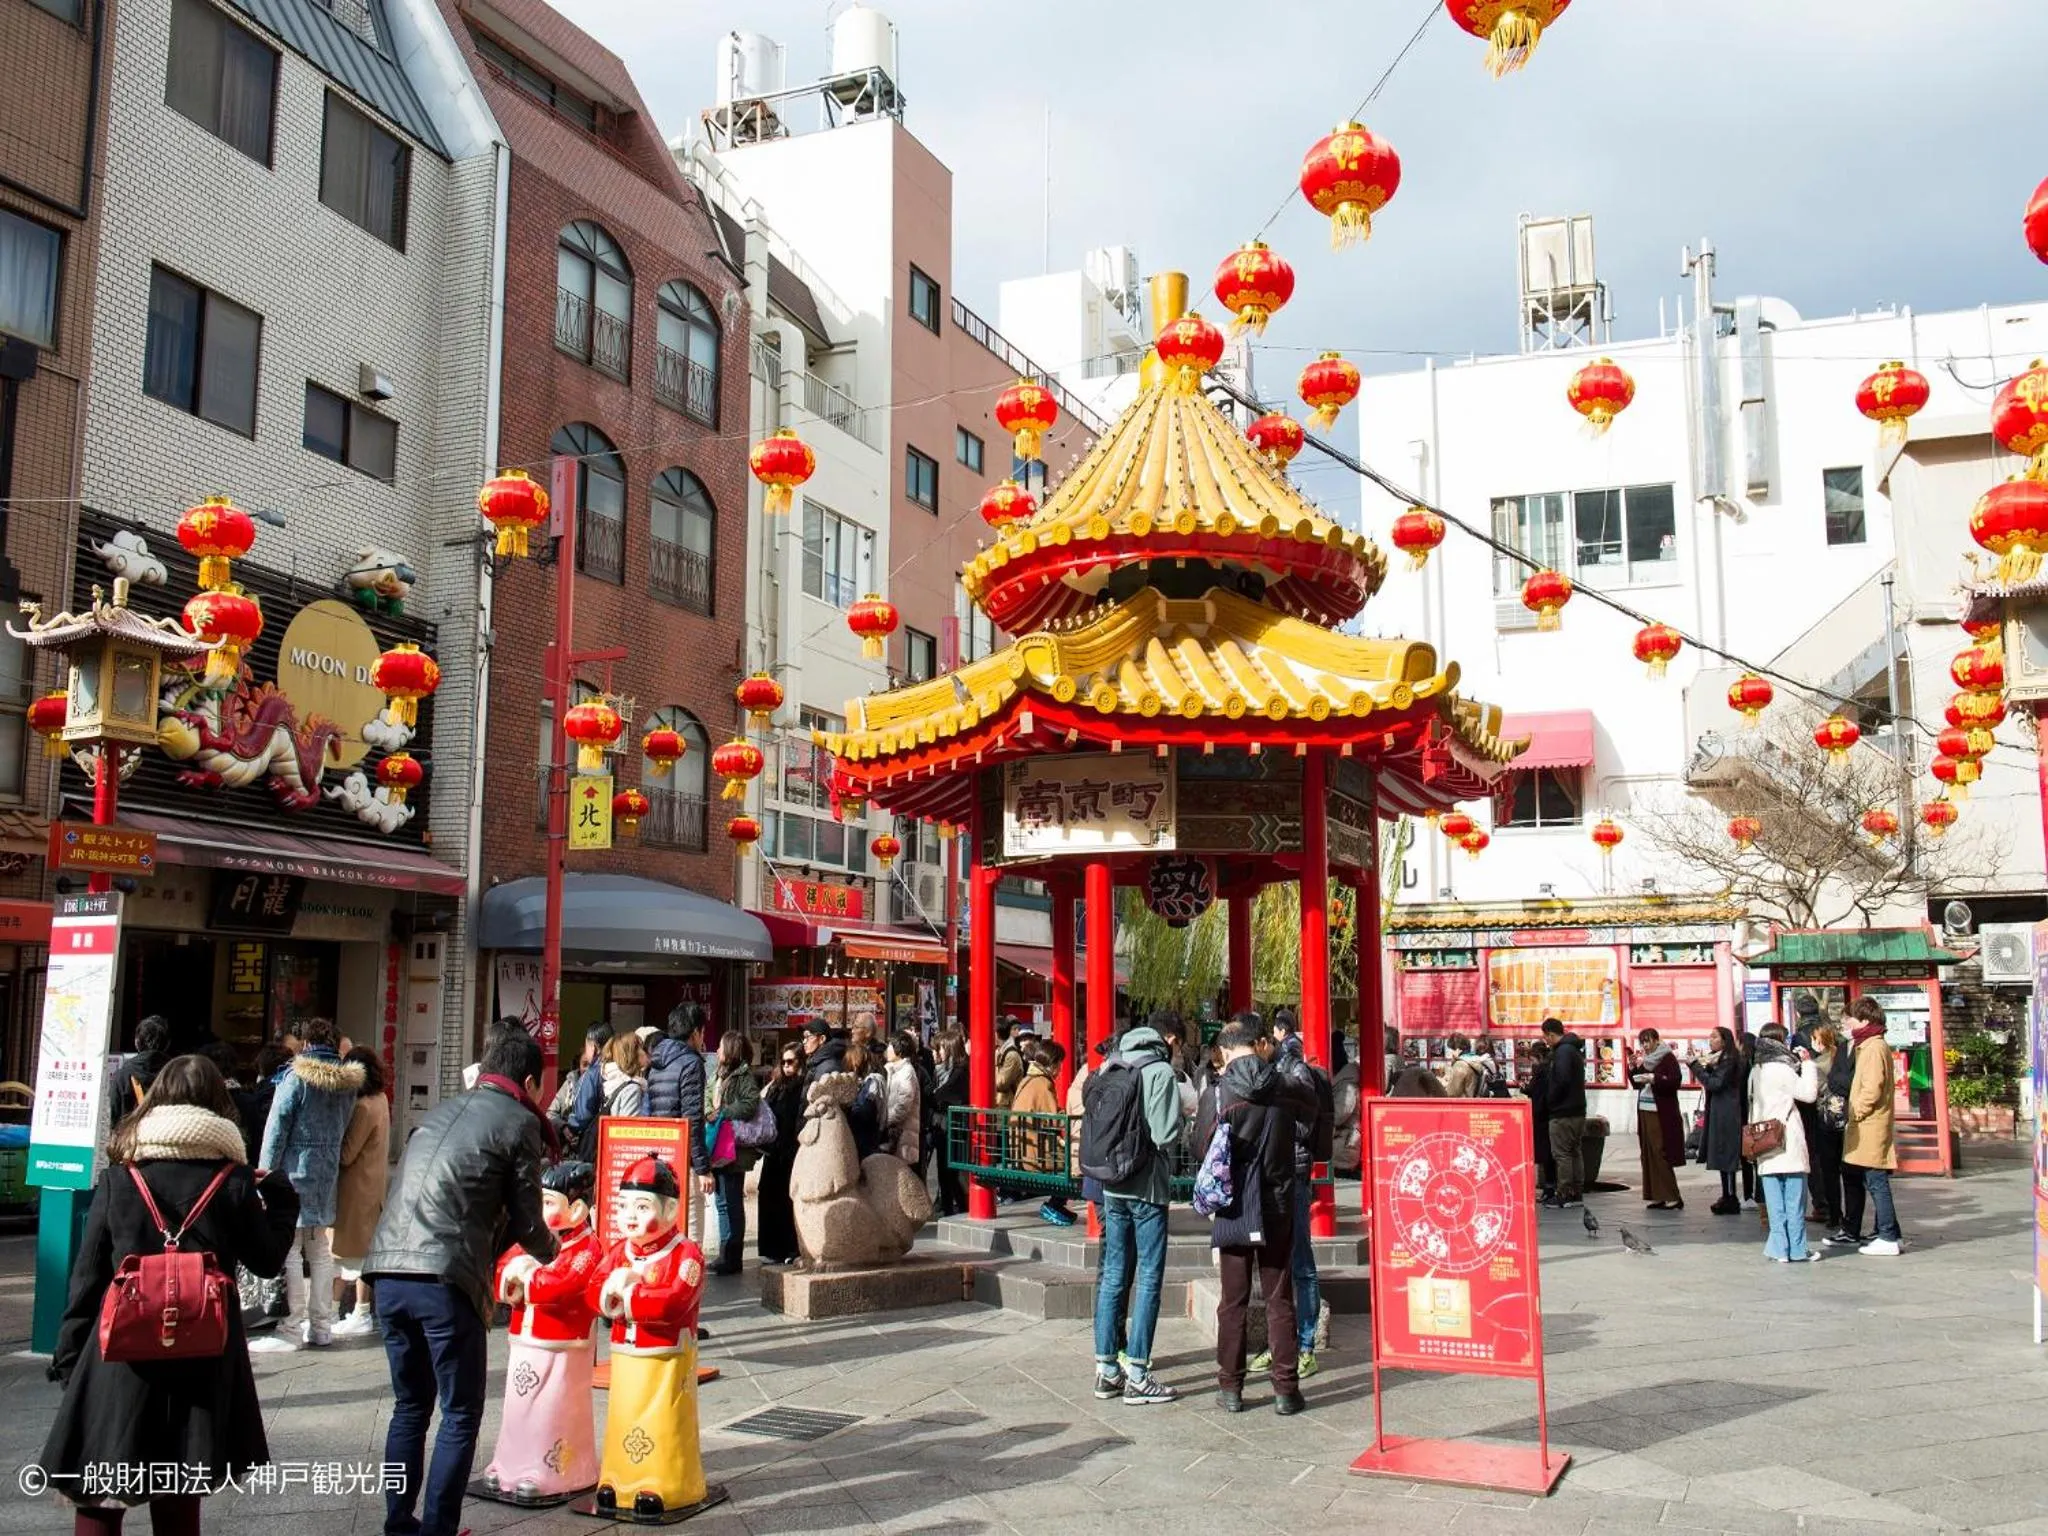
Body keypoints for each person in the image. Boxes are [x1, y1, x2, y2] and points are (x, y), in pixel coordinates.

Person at [41, 1055, 299, 1536]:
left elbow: (87, 1276)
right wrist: (282, 1202)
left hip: (120, 1354)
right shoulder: (233, 1180)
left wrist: (71, 1352)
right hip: (203, 1358)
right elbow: (266, 1260)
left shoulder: (121, 1177)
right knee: (180, 1488)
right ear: (218, 1107)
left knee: (99, 1491)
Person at [364, 1024, 556, 1536]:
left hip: (386, 1270)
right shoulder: (519, 1122)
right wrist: (554, 1253)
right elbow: (528, 1222)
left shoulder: (444, 1110)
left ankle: (399, 1522)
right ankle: (439, 1529)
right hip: (445, 1279)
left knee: (409, 1406)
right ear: (531, 1082)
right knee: (460, 1412)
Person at [1196, 1017, 1318, 1416]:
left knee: (1234, 1300)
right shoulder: (1288, 1087)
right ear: (1261, 1045)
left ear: (1229, 1050)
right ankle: (1286, 1390)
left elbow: (1199, 1148)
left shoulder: (1218, 1093)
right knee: (1280, 1297)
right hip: (1278, 1200)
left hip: (1233, 1205)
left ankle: (1230, 1388)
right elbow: (1314, 1127)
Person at [250, 1018, 365, 1353]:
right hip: (326, 1172)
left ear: (306, 1043)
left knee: (290, 1246)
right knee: (319, 1249)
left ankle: (291, 1325)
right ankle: (322, 1325)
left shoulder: (295, 1078)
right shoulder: (348, 1083)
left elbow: (276, 1129)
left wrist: (264, 1175)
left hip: (292, 1171)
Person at [1086, 1015, 1184, 1405]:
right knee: (1148, 1277)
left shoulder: (1110, 1064)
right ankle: (1139, 1373)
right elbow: (1163, 1133)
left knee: (1112, 1275)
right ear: (1166, 1041)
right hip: (1147, 1188)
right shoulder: (1160, 1071)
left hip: (1111, 1184)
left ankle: (1106, 1369)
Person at [1249, 1008, 1333, 1383]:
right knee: (1275, 1263)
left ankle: (1305, 1346)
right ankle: (1280, 1341)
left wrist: (1271, 1123)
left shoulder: (1295, 1070)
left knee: (1300, 1262)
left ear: (1267, 1042)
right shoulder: (1268, 1070)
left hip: (1293, 1172)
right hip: (1269, 1172)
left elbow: (1303, 1124)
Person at [330, 1048, 392, 1338]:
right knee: (357, 1255)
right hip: (371, 1186)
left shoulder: (364, 1107)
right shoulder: (381, 1100)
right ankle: (347, 1312)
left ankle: (357, 1312)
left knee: (347, 1256)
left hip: (355, 1189)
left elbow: (347, 1153)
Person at [1748, 1023, 1821, 1262]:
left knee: (1774, 1203)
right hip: (1787, 1138)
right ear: (1780, 1041)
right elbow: (1809, 1094)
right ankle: (1798, 1248)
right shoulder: (1782, 1069)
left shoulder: (1756, 1070)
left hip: (1763, 1140)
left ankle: (1779, 1249)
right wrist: (1808, 1064)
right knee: (1794, 1200)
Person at [1843, 996, 1904, 1256]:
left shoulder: (1873, 1047)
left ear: (1865, 1020)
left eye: (1850, 1019)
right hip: (1868, 1123)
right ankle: (1890, 1233)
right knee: (1873, 1180)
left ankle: (1888, 1235)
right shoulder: (1867, 1045)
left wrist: (1857, 1112)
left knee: (1876, 1181)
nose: (1846, 1023)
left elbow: (1872, 1088)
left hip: (1870, 1123)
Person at [706, 1031, 761, 1276]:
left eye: (720, 1047)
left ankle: (732, 1256)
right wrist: (710, 1110)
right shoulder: (717, 1074)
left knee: (731, 1203)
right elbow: (707, 1096)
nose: (717, 1051)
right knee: (721, 1202)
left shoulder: (744, 1076)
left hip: (732, 1149)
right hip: (717, 1142)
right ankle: (724, 1253)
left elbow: (750, 1104)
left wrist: (724, 1112)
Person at [1011, 1038, 1074, 1226]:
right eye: (1059, 1064)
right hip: (1034, 1153)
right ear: (1052, 1064)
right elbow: (1054, 1120)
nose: (1060, 1069)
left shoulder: (1028, 1079)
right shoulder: (1042, 1083)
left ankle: (1056, 1204)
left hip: (1020, 1149)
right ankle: (1055, 1204)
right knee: (1075, 1163)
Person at [757, 1044, 806, 1265]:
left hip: (792, 1151)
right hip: (774, 1152)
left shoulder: (802, 1087)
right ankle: (771, 1248)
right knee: (768, 1196)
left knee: (787, 1200)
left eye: (791, 1062)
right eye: (784, 1062)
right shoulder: (776, 1086)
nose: (786, 1066)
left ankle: (790, 1247)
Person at [1690, 1027, 1747, 1215]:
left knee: (1727, 1154)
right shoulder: (1718, 1059)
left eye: (1714, 1037)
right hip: (1719, 1111)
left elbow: (1715, 1083)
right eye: (1710, 1037)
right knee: (1722, 1153)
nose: (1710, 1040)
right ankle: (1726, 1194)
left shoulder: (1729, 1060)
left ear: (1725, 1040)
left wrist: (1696, 1067)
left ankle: (1731, 1197)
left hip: (1727, 1112)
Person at [1811, 1024, 1859, 1245]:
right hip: (1846, 1118)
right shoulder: (1843, 1055)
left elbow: (1815, 1090)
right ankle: (1849, 1216)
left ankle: (1834, 1212)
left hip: (1829, 1119)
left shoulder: (1819, 1063)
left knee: (1830, 1170)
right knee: (1847, 1169)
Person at [1630, 1028, 1686, 1210]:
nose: (1645, 1045)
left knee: (1660, 1152)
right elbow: (1637, 1083)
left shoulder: (1667, 1057)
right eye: (1642, 1042)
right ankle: (1656, 1195)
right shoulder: (1646, 1060)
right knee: (1648, 1153)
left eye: (1648, 1041)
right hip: (1645, 1109)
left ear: (1656, 1040)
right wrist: (1632, 1068)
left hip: (1660, 1111)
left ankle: (1672, 1195)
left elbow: (1675, 1081)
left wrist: (1655, 1079)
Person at [1540, 1018, 1587, 1209]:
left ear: (1551, 1034)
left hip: (1562, 1112)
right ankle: (1576, 1192)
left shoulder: (1562, 1052)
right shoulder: (1573, 1049)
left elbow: (1561, 1080)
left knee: (1562, 1154)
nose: (1545, 1041)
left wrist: (1550, 1100)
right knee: (1575, 1151)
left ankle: (1565, 1193)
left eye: (1546, 1037)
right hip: (1577, 1110)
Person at [558, 1022, 614, 1158]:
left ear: (593, 1047)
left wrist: (570, 1124)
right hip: (611, 1140)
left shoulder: (592, 1073)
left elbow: (583, 1115)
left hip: (592, 1141)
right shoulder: (615, 1068)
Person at [107, 1014, 173, 1129]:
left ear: (137, 1042)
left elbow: (113, 1117)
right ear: (167, 1044)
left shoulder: (122, 1075)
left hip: (131, 1142)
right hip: (167, 1142)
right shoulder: (177, 1075)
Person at [929, 1032, 970, 1216]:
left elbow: (941, 1094)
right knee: (944, 1172)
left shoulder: (960, 1071)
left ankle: (959, 1208)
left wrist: (933, 1095)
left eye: (941, 1048)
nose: (938, 1052)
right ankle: (948, 1208)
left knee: (952, 1173)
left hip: (953, 1127)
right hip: (943, 1126)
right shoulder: (944, 1069)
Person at [883, 1030, 923, 1166]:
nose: (887, 1049)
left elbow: (903, 1105)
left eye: (890, 1045)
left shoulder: (906, 1072)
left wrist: (886, 1120)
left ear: (899, 1049)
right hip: (896, 1134)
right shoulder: (893, 1069)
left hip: (902, 1135)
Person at [1523, 1040, 1556, 1200]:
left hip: (1541, 1115)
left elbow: (1537, 1092)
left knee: (1545, 1153)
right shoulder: (1548, 1068)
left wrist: (1527, 1089)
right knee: (1547, 1153)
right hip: (1546, 1113)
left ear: (1538, 1057)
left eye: (1533, 1059)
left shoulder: (1542, 1071)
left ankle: (1549, 1187)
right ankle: (1550, 1186)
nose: (1532, 1063)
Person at [601, 1029, 650, 1119]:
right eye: (643, 1048)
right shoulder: (632, 1089)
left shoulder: (612, 1081)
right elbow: (629, 1129)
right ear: (632, 1054)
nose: (646, 1052)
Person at [1439, 1033, 1495, 1098]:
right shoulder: (1477, 1060)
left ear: (1457, 1050)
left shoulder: (1460, 1065)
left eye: (1451, 1050)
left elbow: (1452, 1094)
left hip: (1463, 1105)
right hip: (1475, 1102)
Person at [800, 1018, 848, 1085]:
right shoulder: (815, 1063)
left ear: (822, 1039)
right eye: (803, 1038)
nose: (804, 1042)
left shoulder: (829, 1068)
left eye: (808, 1036)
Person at [994, 1023, 1029, 1109]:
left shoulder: (1011, 1055)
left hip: (1007, 1104)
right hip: (998, 1102)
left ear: (996, 1034)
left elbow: (1002, 1082)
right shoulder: (998, 1051)